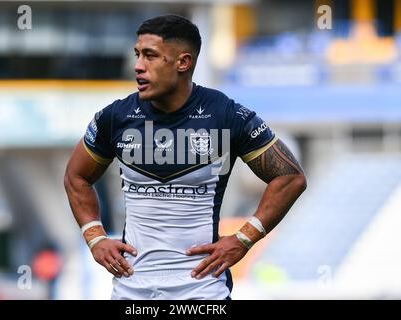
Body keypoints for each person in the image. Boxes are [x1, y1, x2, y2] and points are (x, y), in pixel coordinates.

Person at [64, 14, 307, 300]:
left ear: (183, 62)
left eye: (150, 56)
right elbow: (76, 176)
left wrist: (244, 238)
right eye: (137, 55)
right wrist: (95, 238)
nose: (138, 66)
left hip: (203, 293)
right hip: (131, 292)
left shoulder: (226, 115)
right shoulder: (116, 116)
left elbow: (290, 177)